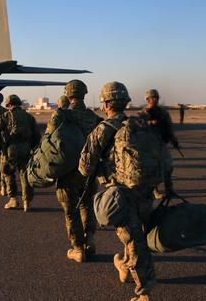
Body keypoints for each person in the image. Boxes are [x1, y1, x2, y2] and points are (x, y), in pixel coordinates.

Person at [79, 81, 162, 300]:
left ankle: (144, 293)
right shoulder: (139, 125)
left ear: (106, 104)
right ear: (124, 102)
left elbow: (85, 167)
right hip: (145, 189)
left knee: (134, 241)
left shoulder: (104, 129)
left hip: (122, 193)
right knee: (137, 234)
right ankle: (125, 268)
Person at [46, 81, 102, 263]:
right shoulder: (93, 117)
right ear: (84, 94)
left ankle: (78, 248)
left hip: (67, 171)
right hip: (88, 171)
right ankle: (90, 239)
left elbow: (48, 140)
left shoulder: (61, 115)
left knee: (71, 210)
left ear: (68, 95)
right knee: (87, 204)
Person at [0, 94, 39, 211]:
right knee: (25, 175)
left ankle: (13, 199)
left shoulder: (4, 117)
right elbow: (37, 136)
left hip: (10, 150)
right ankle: (27, 202)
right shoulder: (29, 117)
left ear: (9, 104)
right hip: (26, 149)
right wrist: (34, 150)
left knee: (8, 173)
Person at [142, 89, 180, 200]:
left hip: (162, 143)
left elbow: (169, 127)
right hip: (149, 145)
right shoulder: (143, 113)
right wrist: (149, 123)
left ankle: (170, 190)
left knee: (168, 167)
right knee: (154, 169)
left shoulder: (163, 113)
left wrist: (174, 140)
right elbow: (138, 127)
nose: (154, 100)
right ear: (147, 99)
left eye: (156, 97)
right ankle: (155, 191)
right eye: (152, 98)